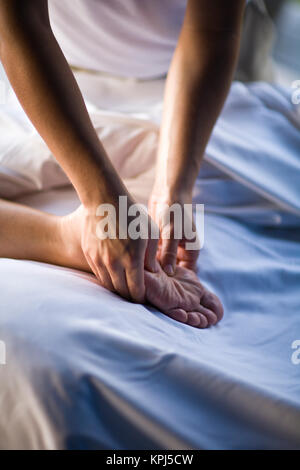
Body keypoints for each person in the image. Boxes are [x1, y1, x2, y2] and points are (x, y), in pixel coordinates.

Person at [0, 0, 245, 327]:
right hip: (35, 77)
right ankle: (67, 239)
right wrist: (103, 202)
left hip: (174, 102)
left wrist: (174, 188)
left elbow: (213, 29)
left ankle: (73, 239)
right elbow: (19, 26)